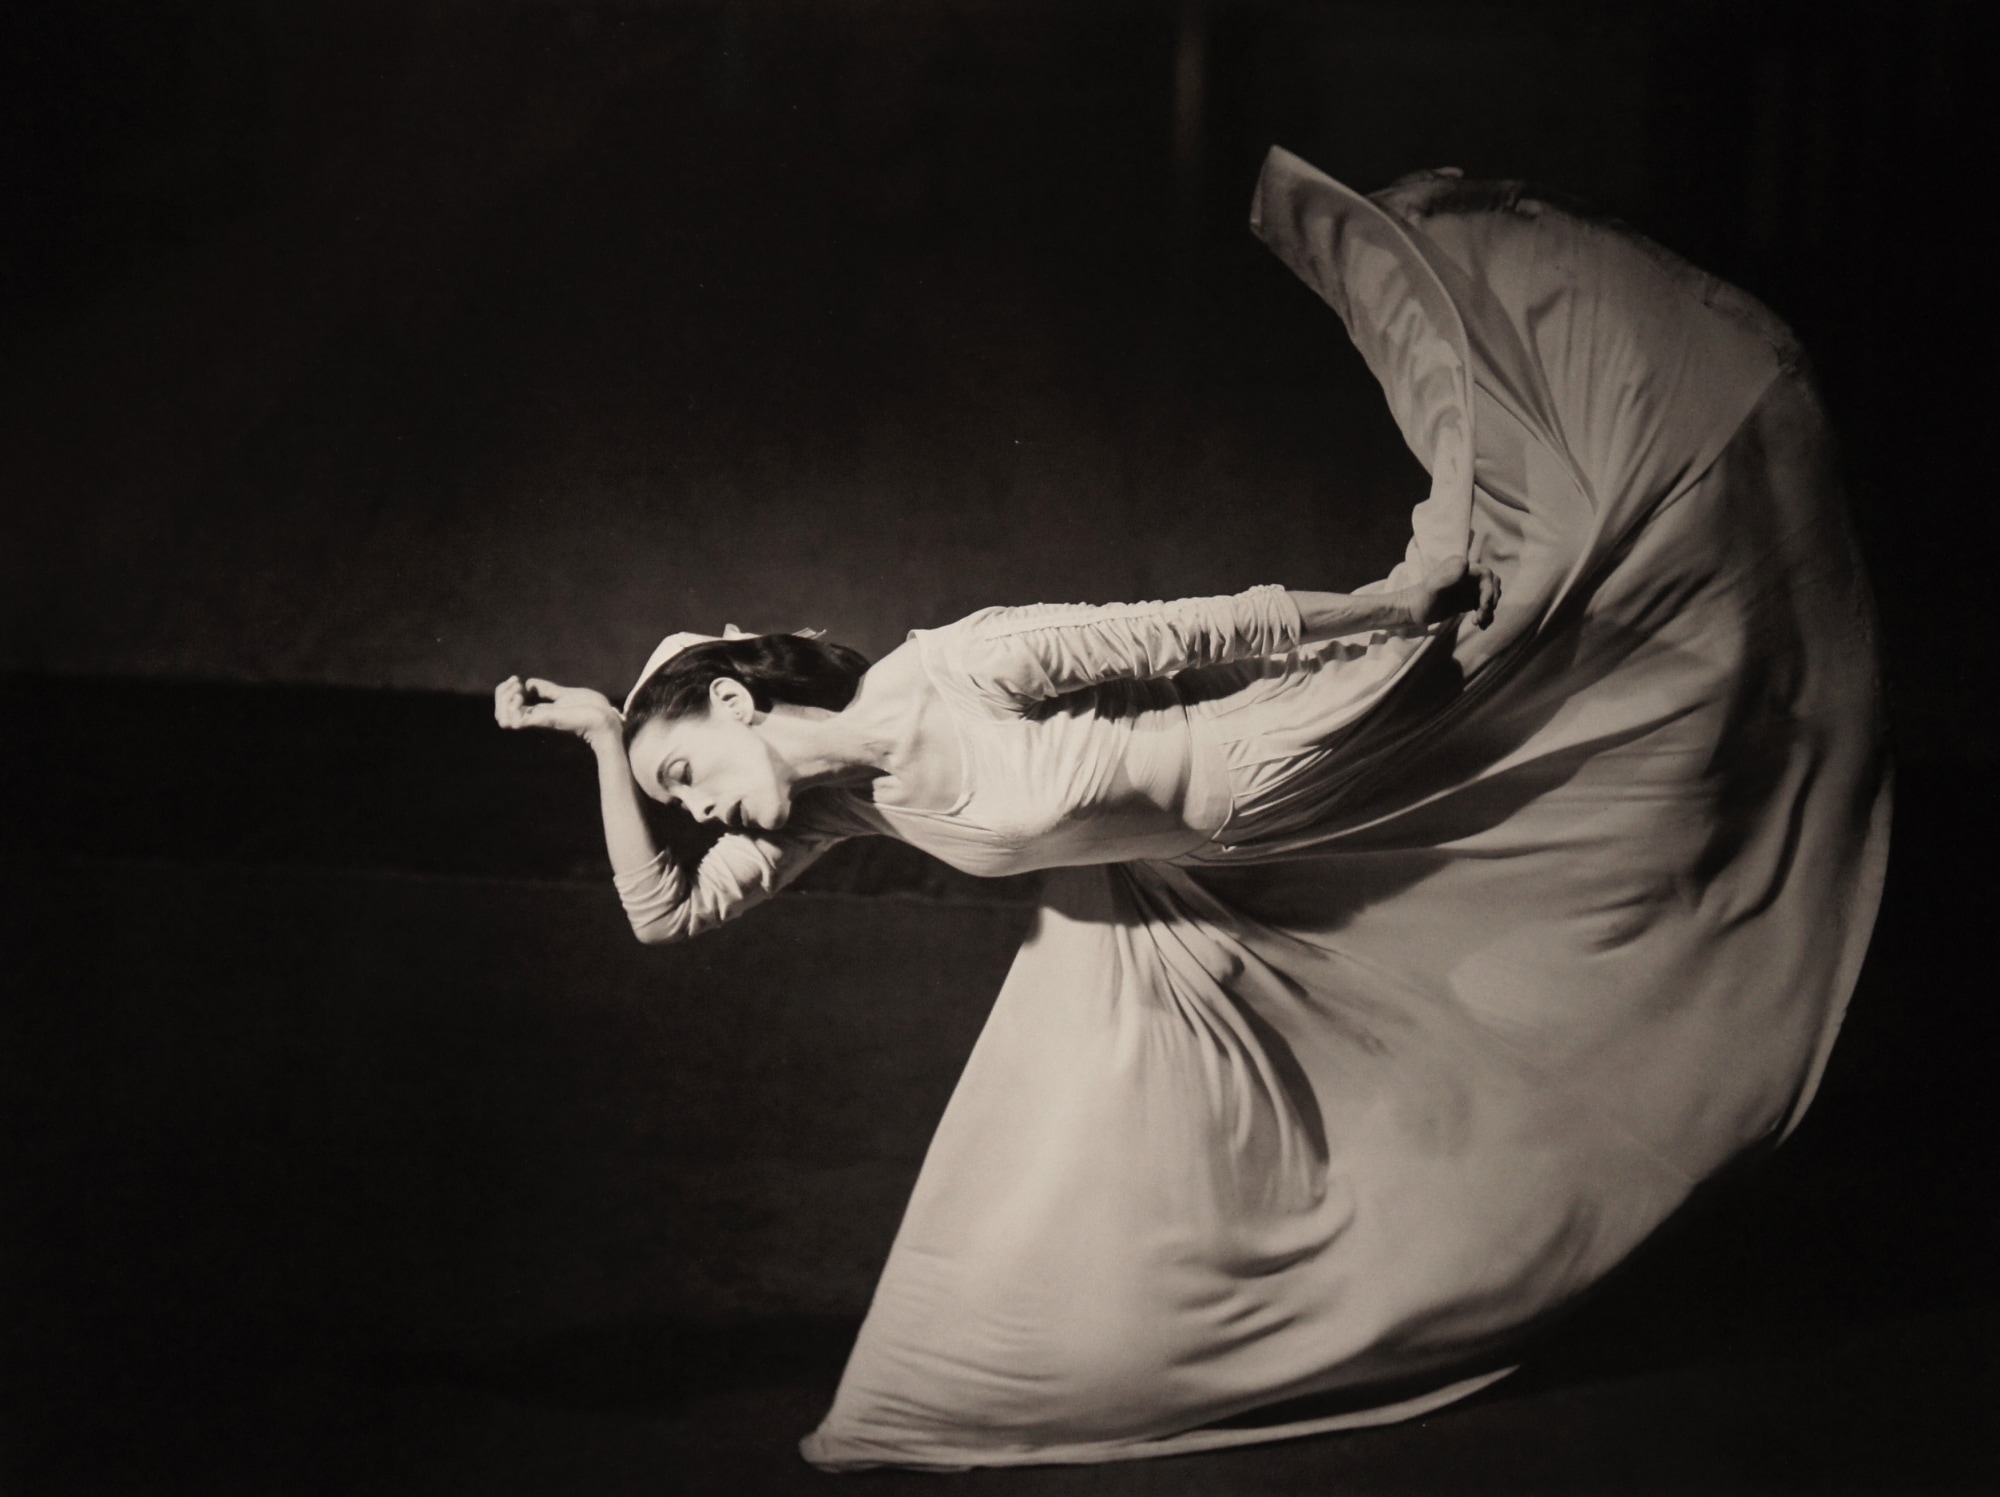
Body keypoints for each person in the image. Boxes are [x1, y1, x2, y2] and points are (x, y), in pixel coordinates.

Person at [494, 148, 1889, 1470]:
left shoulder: (949, 670)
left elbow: (1179, 629)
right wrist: (608, 740)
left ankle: (1700, 483)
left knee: (1539, 640)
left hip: (1288, 752)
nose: (695, 809)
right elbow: (661, 914)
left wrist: (1382, 604)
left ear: (733, 702)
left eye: (681, 773)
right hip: (1214, 865)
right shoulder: (831, 810)